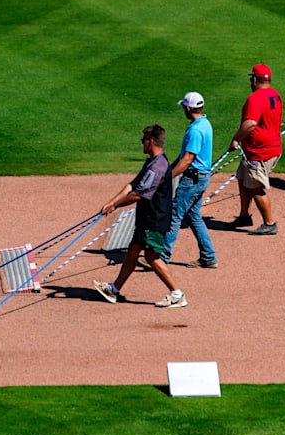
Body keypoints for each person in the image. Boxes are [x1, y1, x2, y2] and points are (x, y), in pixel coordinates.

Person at [92, 124, 187, 308]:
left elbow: (139, 195)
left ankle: (177, 294)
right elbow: (131, 185)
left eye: (143, 140)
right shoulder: (152, 162)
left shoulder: (157, 167)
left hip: (154, 220)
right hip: (146, 219)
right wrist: (111, 202)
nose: (141, 143)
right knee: (133, 251)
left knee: (152, 257)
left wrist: (116, 205)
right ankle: (114, 290)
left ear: (150, 141)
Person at [162, 92, 217, 268]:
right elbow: (183, 157)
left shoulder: (195, 130)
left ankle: (162, 256)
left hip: (192, 180)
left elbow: (187, 159)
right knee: (193, 216)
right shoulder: (205, 124)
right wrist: (169, 170)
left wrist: (167, 178)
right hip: (201, 178)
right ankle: (208, 257)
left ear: (187, 108)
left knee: (175, 215)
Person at [229, 63, 283, 236]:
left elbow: (251, 123)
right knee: (242, 177)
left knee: (254, 187)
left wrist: (236, 138)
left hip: (261, 152)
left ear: (254, 79)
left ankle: (270, 223)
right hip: (260, 148)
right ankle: (244, 216)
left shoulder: (256, 98)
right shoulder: (275, 95)